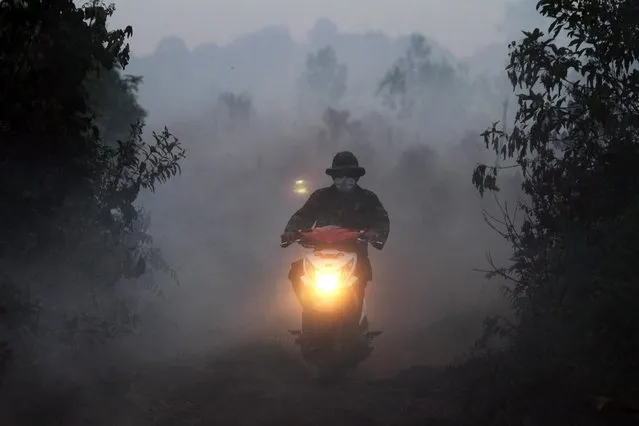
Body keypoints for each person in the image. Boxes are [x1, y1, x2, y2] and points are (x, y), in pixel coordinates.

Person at [280, 151, 390, 310]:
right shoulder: (320, 196)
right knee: (296, 272)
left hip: (355, 253)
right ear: (333, 177)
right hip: (319, 254)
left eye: (349, 175)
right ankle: (309, 311)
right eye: (339, 175)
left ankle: (355, 323)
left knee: (360, 277)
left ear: (357, 177)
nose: (344, 180)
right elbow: (303, 215)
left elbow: (380, 220)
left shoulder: (367, 198)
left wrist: (375, 233)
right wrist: (291, 231)